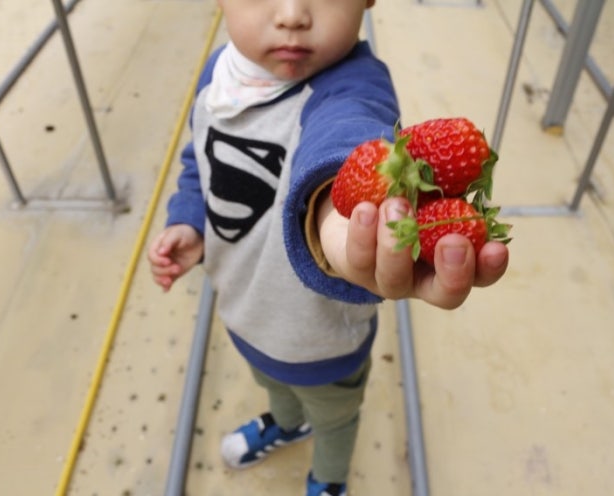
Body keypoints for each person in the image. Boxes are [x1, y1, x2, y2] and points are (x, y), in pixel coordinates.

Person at [148, 0, 509, 494]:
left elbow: (346, 134)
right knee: (273, 383)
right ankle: (288, 420)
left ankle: (330, 477)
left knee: (335, 416)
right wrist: (189, 221)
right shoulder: (218, 74)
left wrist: (337, 216)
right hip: (244, 310)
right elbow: (200, 161)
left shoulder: (351, 84)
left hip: (319, 339)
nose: (293, 14)